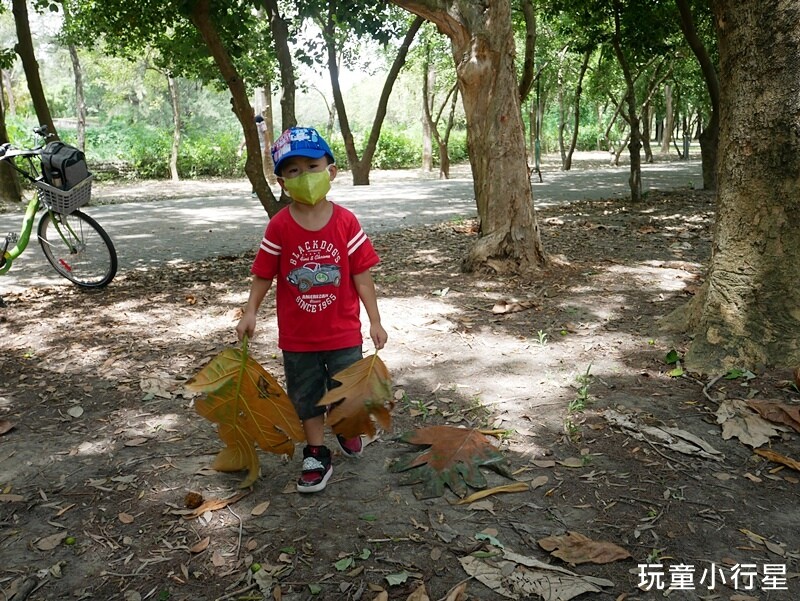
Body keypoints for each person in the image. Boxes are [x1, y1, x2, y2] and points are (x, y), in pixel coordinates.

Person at [236, 126, 388, 493]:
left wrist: (375, 320)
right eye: (293, 171)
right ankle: (316, 452)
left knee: (345, 391)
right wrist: (250, 311)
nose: (304, 176)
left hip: (343, 333)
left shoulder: (346, 222)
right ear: (282, 182)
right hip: (298, 338)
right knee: (305, 397)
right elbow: (263, 274)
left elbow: (362, 276)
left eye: (312, 165)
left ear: (331, 171)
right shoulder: (280, 226)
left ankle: (346, 429)